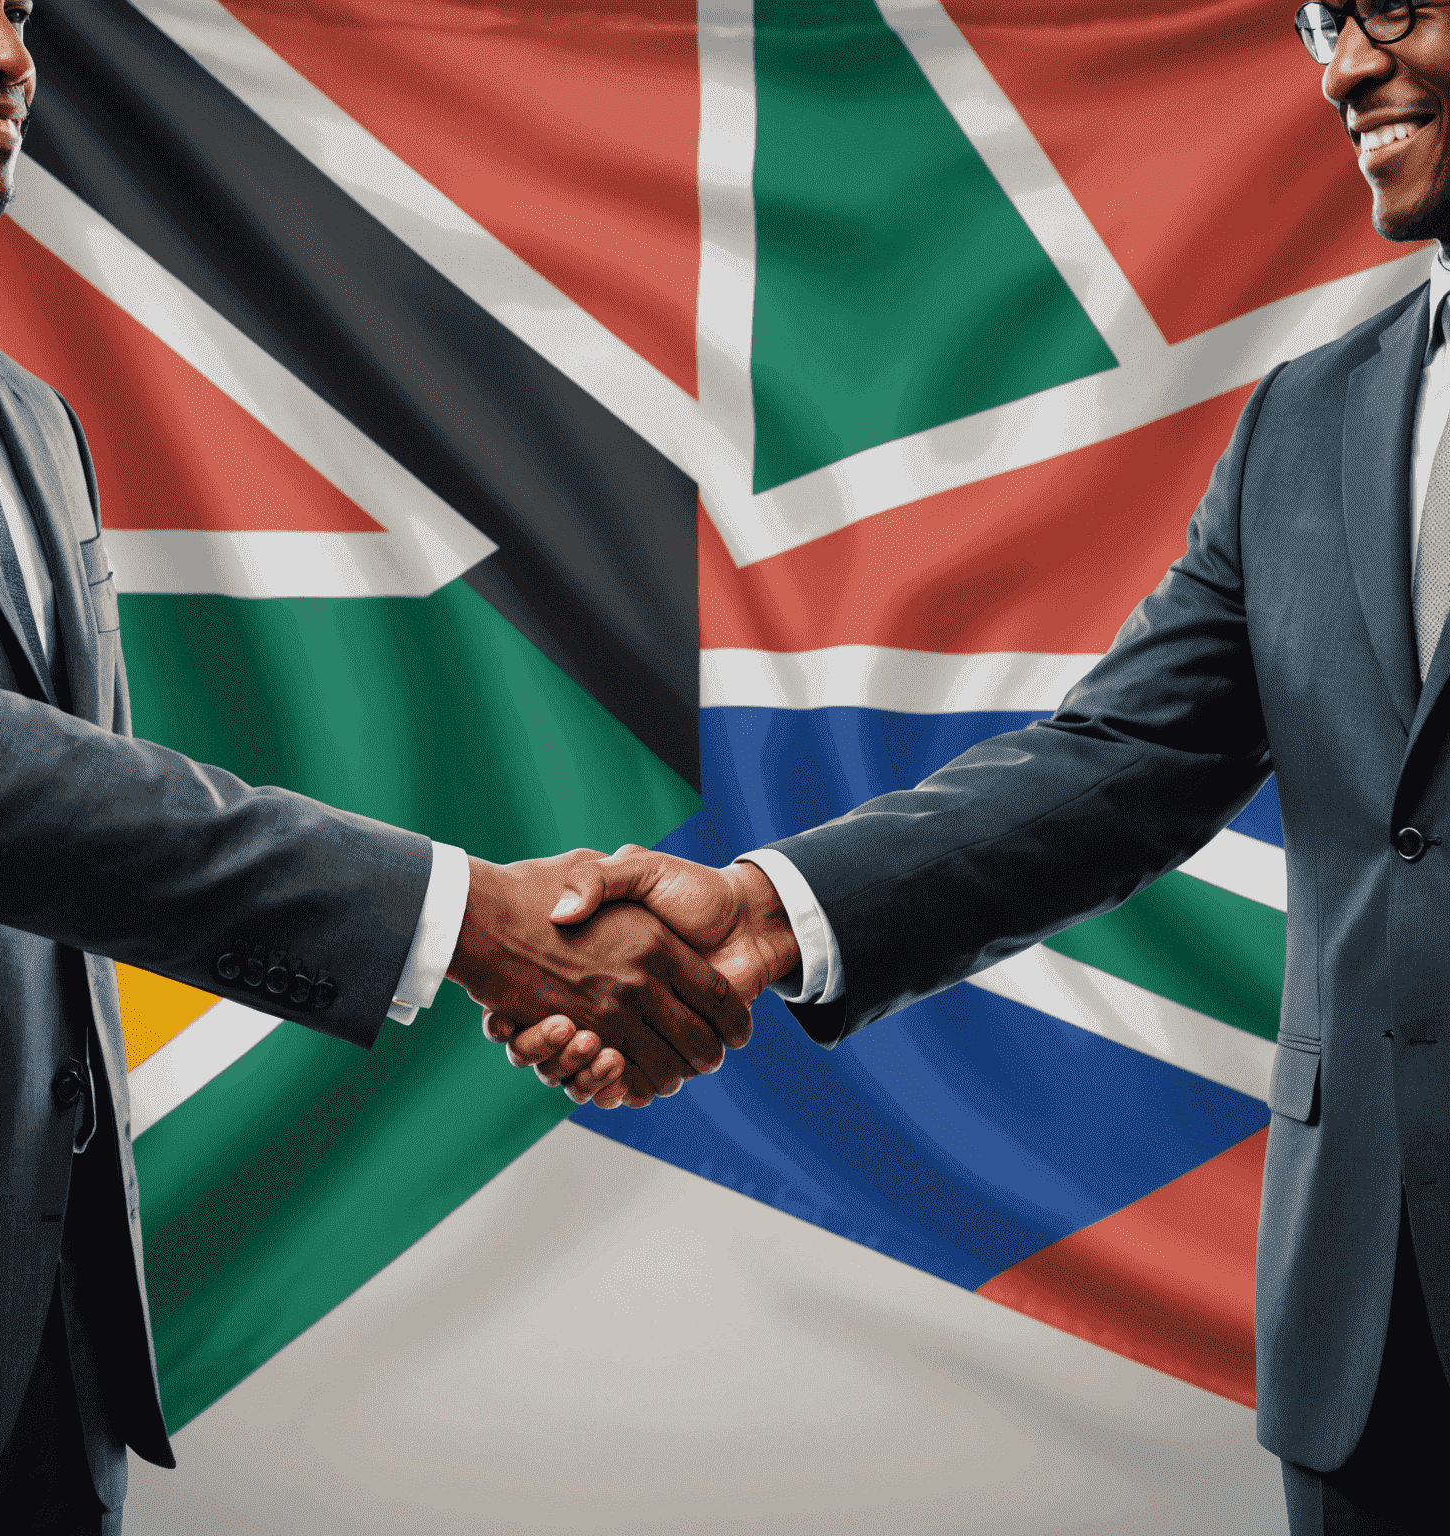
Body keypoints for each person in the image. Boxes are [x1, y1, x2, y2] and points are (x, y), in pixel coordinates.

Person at [501, 1, 1450, 1529]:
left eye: (1392, 5)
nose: (1342, 66)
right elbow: (1128, 754)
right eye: (1317, 18)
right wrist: (756, 919)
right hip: (1377, 1335)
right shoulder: (1311, 420)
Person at [0, 5, 751, 1533]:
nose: (4, 55)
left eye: (20, 11)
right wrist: (467, 921)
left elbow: (78, 818)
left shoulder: (31, 420)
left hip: (43, 1330)